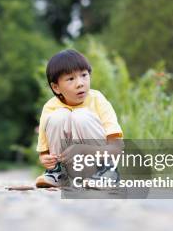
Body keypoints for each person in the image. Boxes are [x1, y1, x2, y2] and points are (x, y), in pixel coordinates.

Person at [35, 49, 124, 188]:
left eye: (84, 75)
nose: (80, 83)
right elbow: (43, 154)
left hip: (96, 164)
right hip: (70, 168)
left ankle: (107, 173)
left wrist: (82, 149)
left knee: (80, 115)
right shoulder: (50, 108)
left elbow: (117, 148)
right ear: (56, 87)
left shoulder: (98, 100)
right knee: (59, 115)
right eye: (71, 79)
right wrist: (46, 160)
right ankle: (58, 174)